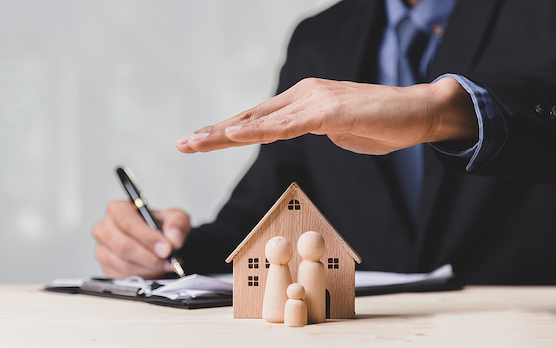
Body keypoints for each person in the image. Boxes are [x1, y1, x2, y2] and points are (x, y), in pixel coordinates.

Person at [93, 0, 556, 284]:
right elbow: (257, 222)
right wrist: (165, 250)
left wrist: (449, 110)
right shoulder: (320, 39)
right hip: (372, 336)